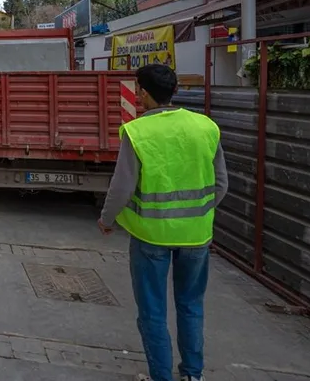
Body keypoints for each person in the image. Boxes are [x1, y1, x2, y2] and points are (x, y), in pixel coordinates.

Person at [98, 64, 228, 381]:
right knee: (191, 305)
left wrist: (107, 219)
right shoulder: (205, 127)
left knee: (153, 312)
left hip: (151, 237)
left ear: (142, 92)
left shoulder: (138, 131)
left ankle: (161, 376)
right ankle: (193, 374)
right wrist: (197, 213)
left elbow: (122, 187)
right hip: (197, 236)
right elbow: (221, 184)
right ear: (175, 91)